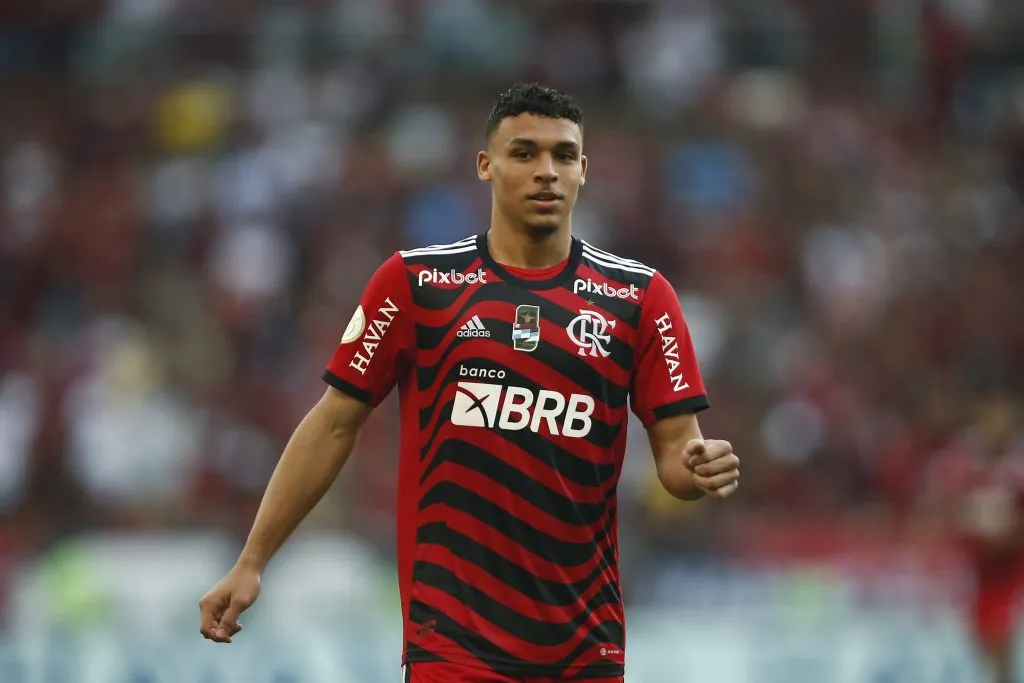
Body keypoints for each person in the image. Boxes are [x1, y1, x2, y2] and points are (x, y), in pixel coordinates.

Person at [199, 82, 741, 683]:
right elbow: (332, 424)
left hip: (585, 649)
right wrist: (252, 561)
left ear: (584, 170)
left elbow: (674, 454)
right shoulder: (416, 284)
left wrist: (694, 471)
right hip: (452, 646)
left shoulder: (640, 298)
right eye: (524, 153)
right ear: (485, 165)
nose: (546, 172)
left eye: (563, 156)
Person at [920, 395, 1024, 683]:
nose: (998, 428)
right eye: (992, 420)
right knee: (981, 637)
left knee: (1004, 637)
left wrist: (1009, 533)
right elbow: (943, 507)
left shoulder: (1017, 468)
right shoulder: (962, 464)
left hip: (1013, 567)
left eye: (1004, 421)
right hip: (976, 567)